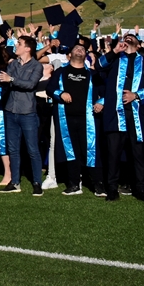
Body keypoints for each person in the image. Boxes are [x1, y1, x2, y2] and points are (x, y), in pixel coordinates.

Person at [96, 31, 144, 202]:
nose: (128, 38)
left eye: (132, 37)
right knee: (113, 153)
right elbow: (98, 66)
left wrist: (136, 94)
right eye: (125, 37)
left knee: (138, 153)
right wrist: (114, 50)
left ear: (138, 43)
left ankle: (140, 188)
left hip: (136, 114)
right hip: (115, 114)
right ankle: (112, 188)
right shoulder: (115, 59)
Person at [50, 41, 101, 196]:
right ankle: (73, 184)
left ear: (86, 55)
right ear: (70, 54)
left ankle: (98, 184)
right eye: (76, 48)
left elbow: (105, 90)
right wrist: (60, 94)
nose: (80, 50)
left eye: (83, 49)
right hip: (67, 118)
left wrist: (101, 102)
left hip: (89, 119)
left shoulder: (92, 74)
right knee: (70, 151)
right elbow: (50, 89)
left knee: (91, 151)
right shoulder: (61, 72)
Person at [0, 36, 45, 196]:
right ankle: (15, 182)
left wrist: (12, 79)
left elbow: (30, 84)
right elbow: (6, 81)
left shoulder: (37, 66)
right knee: (13, 149)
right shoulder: (13, 64)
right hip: (11, 111)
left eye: (19, 44)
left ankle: (37, 182)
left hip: (27, 112)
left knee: (32, 149)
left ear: (28, 48)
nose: (16, 46)